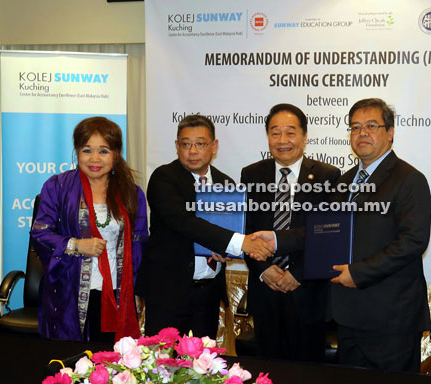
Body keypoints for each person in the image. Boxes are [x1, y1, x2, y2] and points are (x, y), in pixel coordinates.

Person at [267, 98, 431, 372]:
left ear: (390, 132)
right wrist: (275, 239)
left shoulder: (409, 179)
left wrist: (358, 272)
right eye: (355, 127)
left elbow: (413, 242)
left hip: (390, 317)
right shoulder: (345, 181)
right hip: (347, 315)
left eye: (371, 126)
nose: (362, 133)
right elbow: (322, 233)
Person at [136, 114, 273, 339]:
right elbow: (185, 223)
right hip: (168, 293)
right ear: (177, 146)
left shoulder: (226, 184)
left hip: (208, 295)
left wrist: (224, 251)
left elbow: (225, 230)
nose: (192, 151)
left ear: (214, 146)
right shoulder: (164, 178)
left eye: (200, 144)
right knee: (162, 365)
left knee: (203, 366)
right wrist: (241, 243)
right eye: (186, 144)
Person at [31, 116, 148, 342]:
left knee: (108, 367)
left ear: (116, 153)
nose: (95, 158)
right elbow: (40, 233)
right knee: (69, 367)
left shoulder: (131, 193)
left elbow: (139, 243)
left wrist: (133, 291)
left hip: (115, 293)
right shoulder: (57, 187)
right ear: (77, 151)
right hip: (69, 293)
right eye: (87, 150)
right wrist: (76, 245)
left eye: (103, 151)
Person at [240, 103, 340, 361]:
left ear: (304, 137)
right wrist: (264, 270)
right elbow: (246, 230)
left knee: (306, 373)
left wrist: (297, 273)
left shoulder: (327, 176)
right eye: (275, 132)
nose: (282, 140)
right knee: (267, 374)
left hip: (307, 292)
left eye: (290, 132)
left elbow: (328, 235)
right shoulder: (252, 174)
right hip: (265, 291)